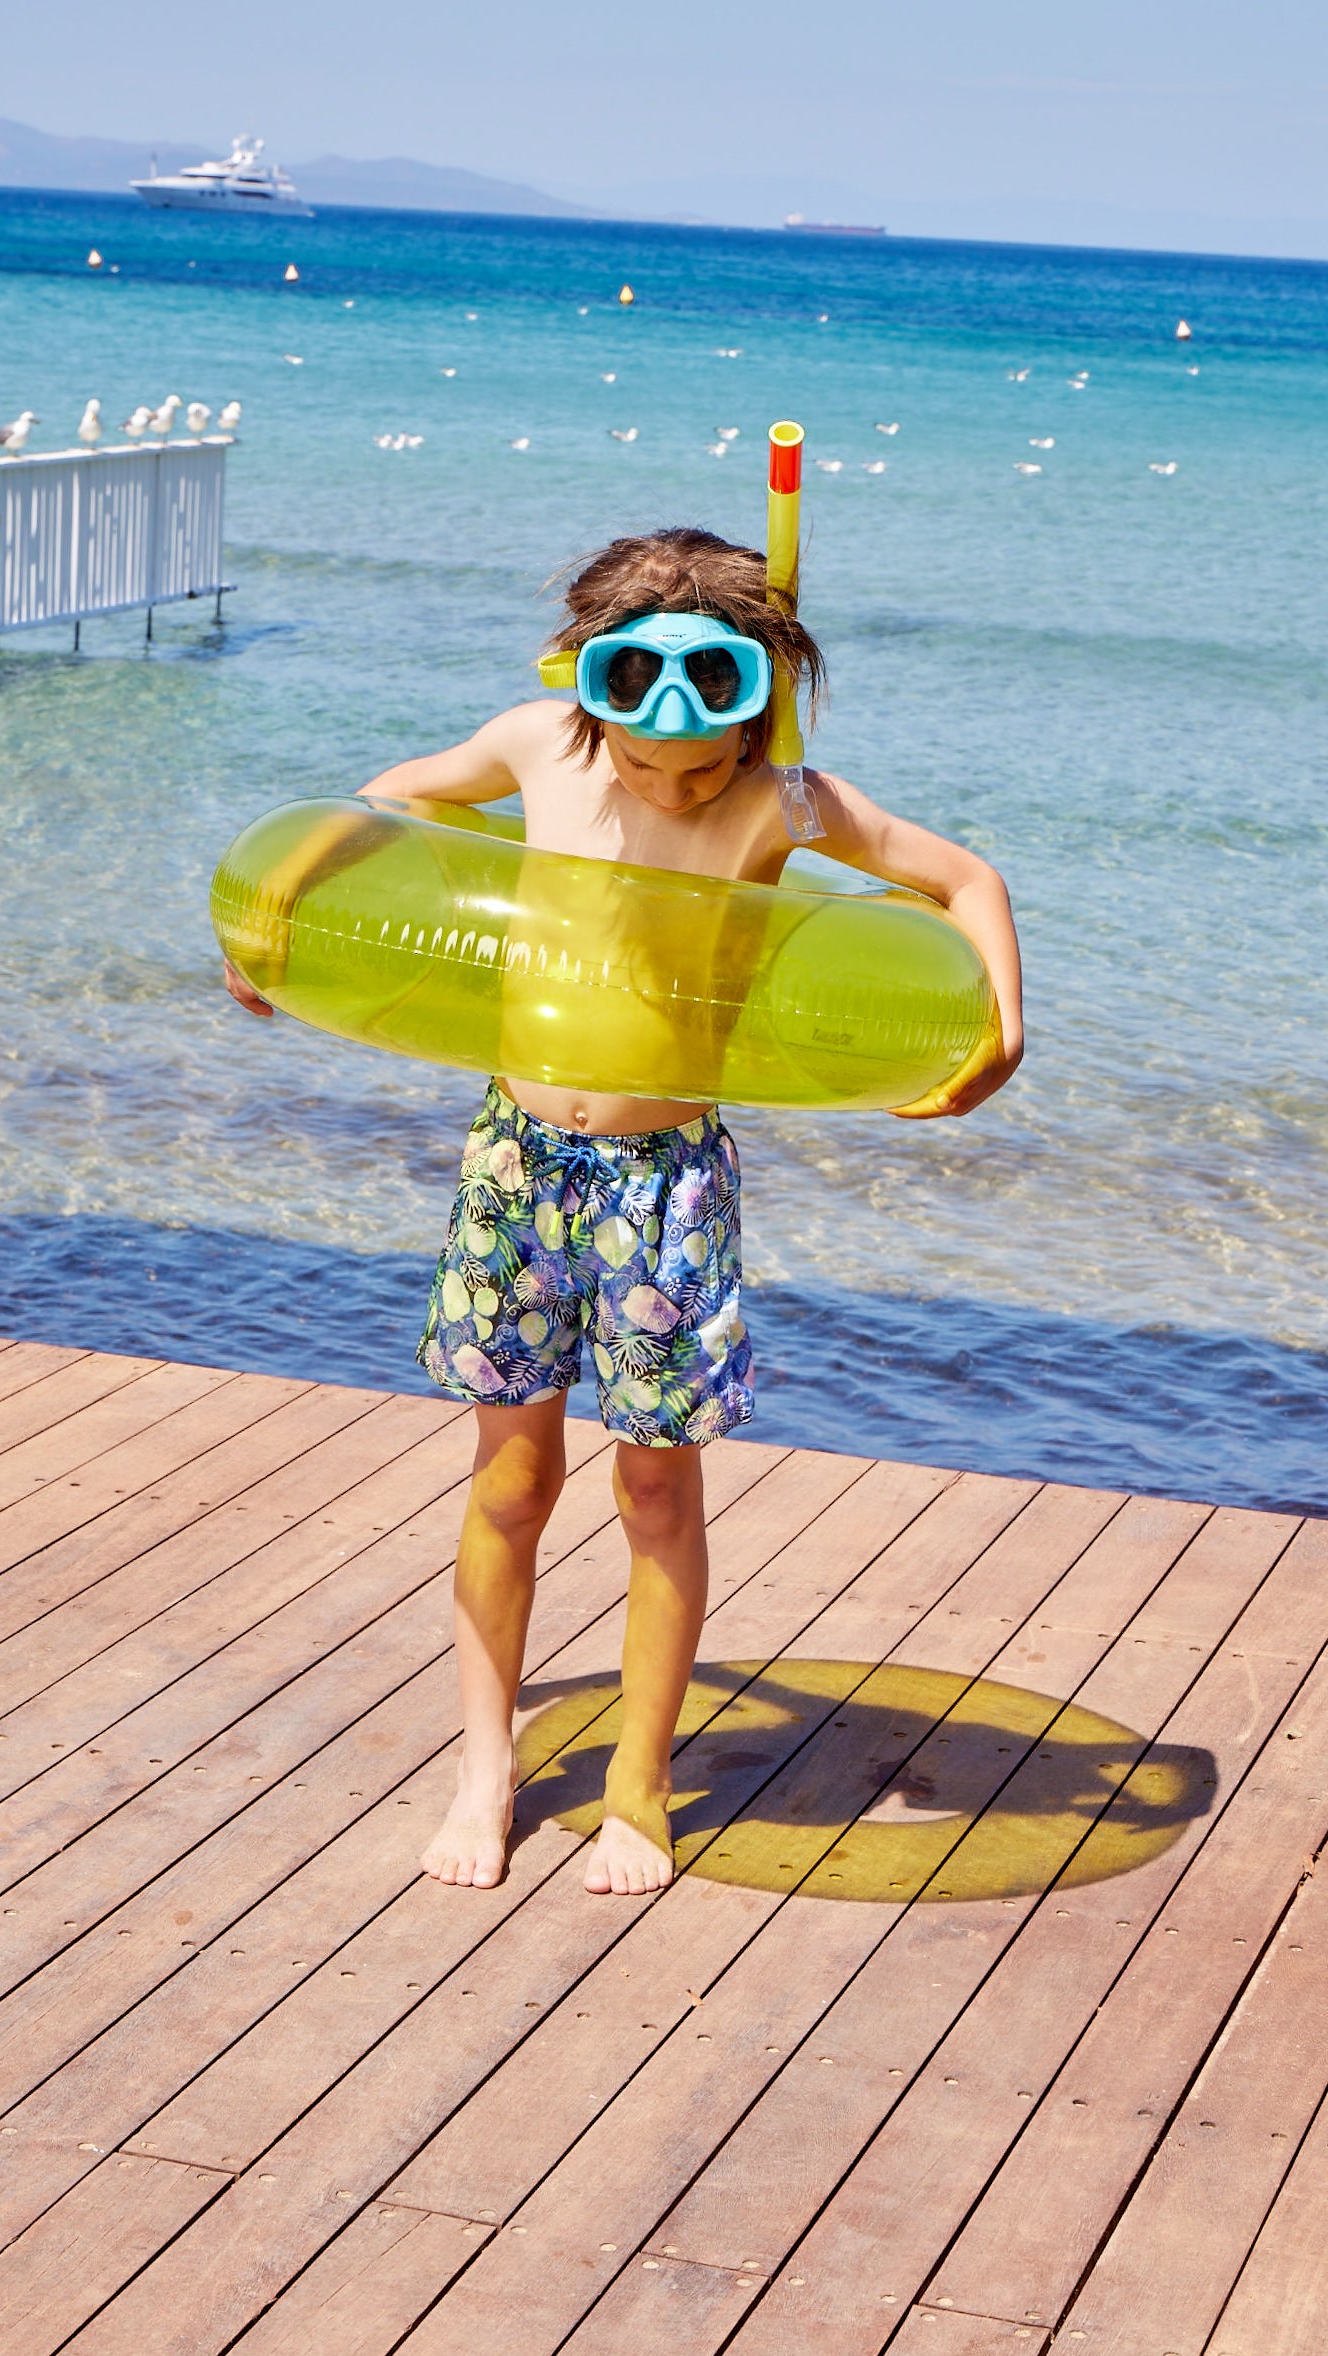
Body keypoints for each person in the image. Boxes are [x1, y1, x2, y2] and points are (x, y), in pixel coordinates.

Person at [223, 526, 1023, 1898]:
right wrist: (281, 927)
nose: (677, 779)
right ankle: (486, 1764)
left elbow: (964, 880)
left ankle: (639, 1784)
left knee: (654, 1483)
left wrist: (996, 1037)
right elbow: (381, 805)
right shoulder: (538, 743)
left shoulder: (788, 799)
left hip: (665, 1178)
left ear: (752, 705)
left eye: (704, 759)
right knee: (510, 1479)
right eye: (647, 760)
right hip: (518, 1161)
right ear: (592, 694)